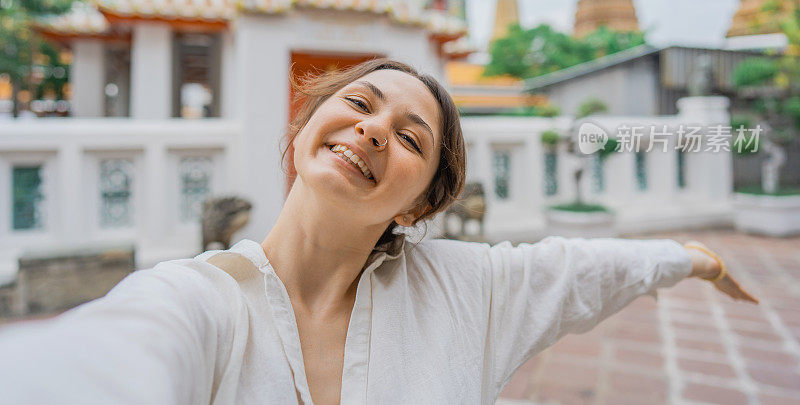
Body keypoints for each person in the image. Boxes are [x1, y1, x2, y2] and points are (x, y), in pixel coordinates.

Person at [0, 58, 757, 405]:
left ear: (419, 204)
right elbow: (104, 360)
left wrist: (687, 257)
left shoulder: (469, 292)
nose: (371, 131)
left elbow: (578, 268)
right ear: (303, 131)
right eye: (358, 104)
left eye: (410, 137)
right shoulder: (195, 300)